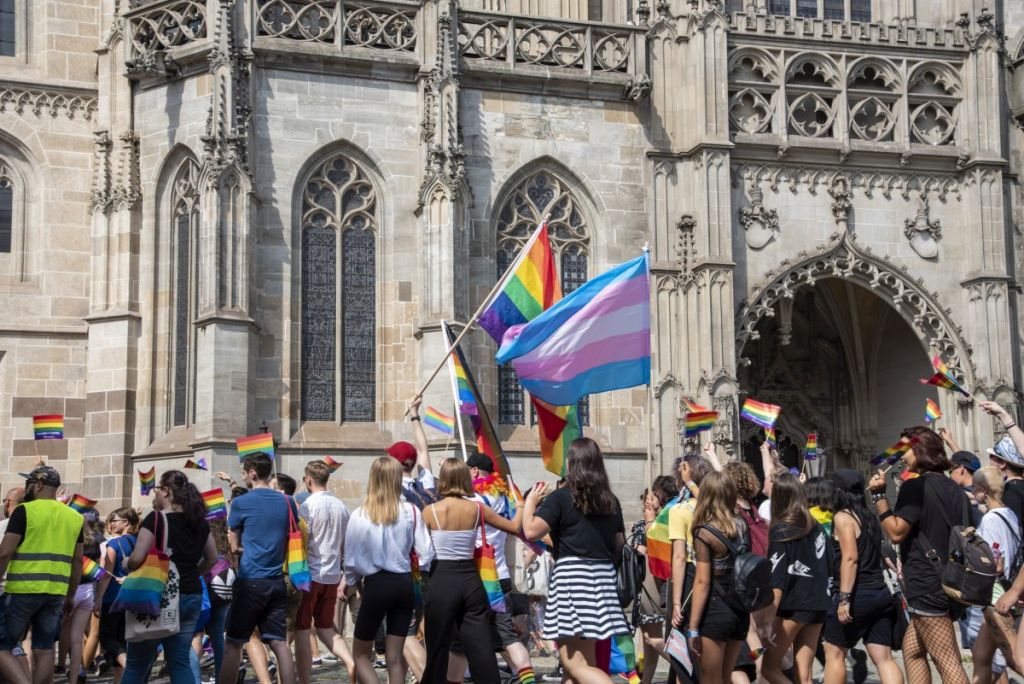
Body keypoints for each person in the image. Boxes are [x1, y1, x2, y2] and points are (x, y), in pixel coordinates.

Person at [868, 426, 970, 684]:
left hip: (927, 583)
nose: (902, 456)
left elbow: (896, 532)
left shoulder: (915, 487)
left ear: (920, 449)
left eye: (905, 450)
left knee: (947, 661)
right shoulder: (955, 488)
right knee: (912, 651)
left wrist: (879, 496)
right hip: (952, 578)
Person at [522, 438, 629, 684]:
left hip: (573, 578)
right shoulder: (611, 500)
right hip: (602, 578)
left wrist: (530, 503)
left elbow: (530, 531)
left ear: (572, 463)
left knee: (573, 662)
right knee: (580, 665)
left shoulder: (562, 497)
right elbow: (619, 543)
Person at [421, 457, 523, 683]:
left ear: (444, 480)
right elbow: (514, 527)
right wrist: (524, 505)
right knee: (480, 646)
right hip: (470, 580)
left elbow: (420, 550)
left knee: (437, 647)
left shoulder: (430, 511)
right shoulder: (477, 509)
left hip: (442, 579)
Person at [446, 453, 536, 684]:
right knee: (507, 637)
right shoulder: (504, 499)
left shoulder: (471, 502)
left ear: (474, 471)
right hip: (499, 576)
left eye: (467, 470)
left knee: (462, 637)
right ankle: (528, 680)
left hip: (475, 579)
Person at [343, 456, 433, 684]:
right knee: (395, 655)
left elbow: (351, 560)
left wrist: (353, 582)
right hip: (404, 584)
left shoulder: (360, 514)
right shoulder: (411, 511)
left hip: (375, 585)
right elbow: (425, 554)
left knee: (361, 653)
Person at [122, 470, 217, 684]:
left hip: (160, 595)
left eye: (156, 490)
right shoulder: (199, 521)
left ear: (166, 491)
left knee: (136, 664)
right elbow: (212, 558)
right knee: (180, 661)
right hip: (190, 594)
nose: (154, 495)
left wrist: (125, 562)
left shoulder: (155, 519)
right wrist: (191, 573)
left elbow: (137, 559)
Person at [218, 453, 301, 684]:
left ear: (253, 472)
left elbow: (234, 547)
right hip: (277, 579)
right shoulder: (287, 502)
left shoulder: (241, 503)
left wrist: (248, 548)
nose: (243, 475)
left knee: (234, 641)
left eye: (244, 471)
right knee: (279, 642)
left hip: (250, 580)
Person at [0, 466, 86, 684]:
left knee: (3, 645)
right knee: (44, 649)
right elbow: (78, 561)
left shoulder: (24, 511)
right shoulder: (75, 517)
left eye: (29, 483)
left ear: (37, 485)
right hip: (55, 592)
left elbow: (5, 551)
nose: (27, 488)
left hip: (22, 589)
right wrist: (69, 595)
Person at [822, 469, 903, 684]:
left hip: (858, 594)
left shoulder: (843, 517)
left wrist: (844, 599)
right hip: (879, 592)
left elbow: (850, 558)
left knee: (834, 653)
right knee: (883, 657)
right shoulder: (869, 517)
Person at [761, 472, 831, 684]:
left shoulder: (781, 530)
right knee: (804, 674)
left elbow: (777, 582)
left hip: (793, 607)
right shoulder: (817, 527)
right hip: (818, 603)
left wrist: (768, 622)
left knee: (769, 669)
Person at [684, 471, 750, 684]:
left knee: (711, 677)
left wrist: (693, 627)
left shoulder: (705, 531)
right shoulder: (741, 524)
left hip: (715, 606)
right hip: (740, 606)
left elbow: (702, 581)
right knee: (726, 674)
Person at [295, 460, 354, 684]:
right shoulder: (341, 506)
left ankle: (305, 679)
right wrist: (345, 576)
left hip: (310, 574)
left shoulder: (308, 506)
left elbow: (301, 540)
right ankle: (351, 662)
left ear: (308, 480)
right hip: (332, 575)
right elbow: (347, 546)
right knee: (325, 627)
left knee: (302, 629)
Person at [968, 466, 1022, 684]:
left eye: (974, 487)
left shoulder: (990, 520)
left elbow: (992, 564)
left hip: (995, 593)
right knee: (981, 656)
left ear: (983, 490)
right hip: (1007, 586)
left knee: (1016, 659)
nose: (971, 491)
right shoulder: (1009, 513)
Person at [631, 475, 677, 684]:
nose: (650, 500)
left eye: (654, 495)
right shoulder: (646, 522)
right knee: (649, 645)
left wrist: (649, 519)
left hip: (654, 588)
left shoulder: (663, 520)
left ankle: (687, 668)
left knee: (653, 639)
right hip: (647, 586)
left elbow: (644, 549)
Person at [93, 507, 139, 684]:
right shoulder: (139, 541)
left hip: (113, 597)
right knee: (122, 641)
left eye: (115, 520)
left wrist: (98, 599)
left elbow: (106, 574)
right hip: (134, 596)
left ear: (126, 522)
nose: (111, 524)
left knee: (107, 637)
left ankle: (131, 670)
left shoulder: (113, 544)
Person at [668, 453, 712, 629]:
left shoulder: (679, 510)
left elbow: (679, 557)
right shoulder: (718, 508)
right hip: (716, 573)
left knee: (687, 640)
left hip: (691, 576)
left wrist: (676, 603)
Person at [60, 513, 103, 684]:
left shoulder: (68, 539)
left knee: (63, 630)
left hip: (70, 588)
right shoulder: (95, 541)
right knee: (77, 637)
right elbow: (99, 568)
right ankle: (75, 676)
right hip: (87, 590)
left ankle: (60, 664)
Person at [204, 519, 235, 683]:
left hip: (209, 590)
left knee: (197, 635)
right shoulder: (227, 542)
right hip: (226, 592)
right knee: (218, 636)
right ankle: (221, 675)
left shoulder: (206, 542)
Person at [948, 451, 983, 525]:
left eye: (950, 470)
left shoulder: (958, 496)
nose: (949, 475)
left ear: (961, 468)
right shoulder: (986, 492)